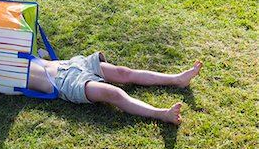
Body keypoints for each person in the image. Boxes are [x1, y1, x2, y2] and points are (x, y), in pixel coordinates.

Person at [28, 52, 203, 125]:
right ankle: (161, 114)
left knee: (124, 73)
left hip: (72, 64)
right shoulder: (5, 70)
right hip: (64, 82)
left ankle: (177, 79)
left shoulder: (12, 44)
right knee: (113, 93)